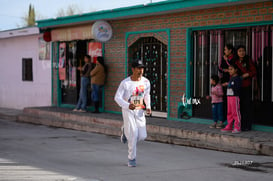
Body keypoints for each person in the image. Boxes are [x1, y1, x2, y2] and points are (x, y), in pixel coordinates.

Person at [114, 60, 152, 167]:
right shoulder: (125, 83)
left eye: (142, 68)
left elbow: (146, 95)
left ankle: (125, 131)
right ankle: (132, 159)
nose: (141, 70)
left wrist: (148, 106)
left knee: (142, 136)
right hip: (128, 110)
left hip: (139, 110)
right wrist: (127, 105)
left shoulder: (146, 82)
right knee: (133, 135)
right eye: (138, 68)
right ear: (133, 69)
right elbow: (117, 98)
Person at [234, 45, 256, 131]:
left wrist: (248, 74)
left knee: (247, 106)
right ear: (237, 52)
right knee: (239, 106)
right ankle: (240, 124)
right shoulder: (235, 62)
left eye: (243, 51)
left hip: (246, 86)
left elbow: (254, 71)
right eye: (240, 51)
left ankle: (247, 125)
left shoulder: (248, 60)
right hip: (238, 86)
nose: (242, 52)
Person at [221, 63, 242, 134]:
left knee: (235, 112)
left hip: (234, 97)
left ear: (236, 70)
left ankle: (237, 127)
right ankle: (229, 125)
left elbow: (237, 88)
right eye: (229, 69)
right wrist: (227, 84)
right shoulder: (231, 78)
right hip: (229, 97)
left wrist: (230, 85)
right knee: (229, 112)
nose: (229, 71)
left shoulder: (237, 78)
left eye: (231, 69)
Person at [219, 44, 234, 121]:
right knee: (224, 101)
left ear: (230, 50)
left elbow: (233, 68)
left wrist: (227, 61)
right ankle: (224, 119)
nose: (224, 51)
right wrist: (224, 70)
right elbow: (220, 68)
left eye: (225, 49)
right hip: (224, 81)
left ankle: (232, 120)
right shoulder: (224, 57)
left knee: (232, 102)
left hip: (232, 81)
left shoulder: (234, 58)